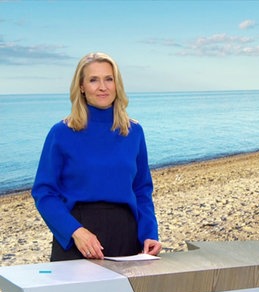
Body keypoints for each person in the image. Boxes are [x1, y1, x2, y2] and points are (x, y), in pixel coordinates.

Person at [32, 52, 162, 261]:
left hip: (126, 235)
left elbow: (142, 190)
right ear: (81, 87)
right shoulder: (62, 132)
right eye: (94, 80)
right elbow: (44, 193)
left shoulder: (133, 132)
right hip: (77, 238)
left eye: (109, 79)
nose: (103, 87)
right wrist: (75, 231)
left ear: (117, 84)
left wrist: (149, 233)